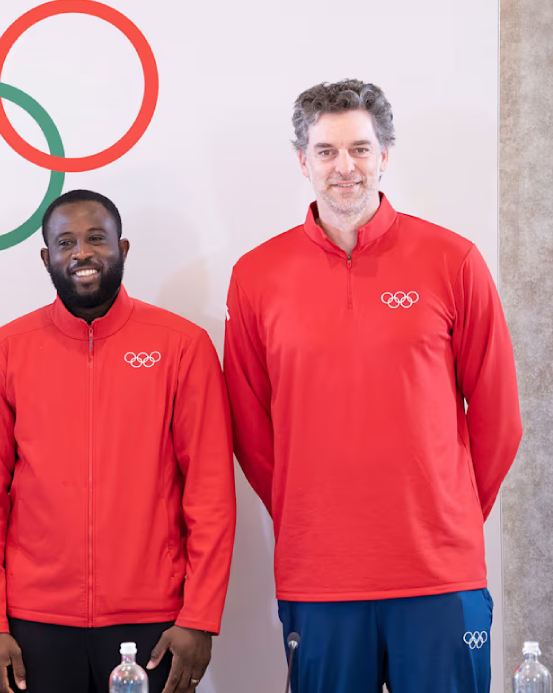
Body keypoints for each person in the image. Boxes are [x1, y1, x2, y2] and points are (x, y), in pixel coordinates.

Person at [223, 79, 523, 693]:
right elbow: (252, 430)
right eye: (327, 151)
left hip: (440, 571)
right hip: (320, 573)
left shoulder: (453, 260)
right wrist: (314, 515)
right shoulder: (256, 277)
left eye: (360, 148)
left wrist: (451, 513)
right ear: (302, 161)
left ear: (385, 154)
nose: (345, 167)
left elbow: (499, 414)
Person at [0, 189, 237, 693]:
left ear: (123, 248)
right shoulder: (3, 352)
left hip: (153, 621)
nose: (81, 253)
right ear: (46, 258)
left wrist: (200, 617)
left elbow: (210, 493)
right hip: (33, 621)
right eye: (65, 242)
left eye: (96, 239)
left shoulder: (182, 346)